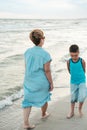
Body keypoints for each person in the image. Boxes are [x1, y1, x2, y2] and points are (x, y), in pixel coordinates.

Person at [22, 29, 54, 129]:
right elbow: (47, 71)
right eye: (43, 37)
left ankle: (26, 124)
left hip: (28, 80)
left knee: (27, 101)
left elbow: (26, 66)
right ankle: (43, 114)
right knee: (44, 98)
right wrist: (51, 83)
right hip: (41, 81)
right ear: (41, 39)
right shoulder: (45, 54)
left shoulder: (27, 52)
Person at [67, 44, 87, 119]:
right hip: (73, 82)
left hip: (82, 81)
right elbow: (69, 71)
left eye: (75, 55)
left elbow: (84, 70)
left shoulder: (82, 61)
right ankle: (72, 111)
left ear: (78, 52)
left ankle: (79, 109)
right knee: (72, 97)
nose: (74, 57)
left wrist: (80, 77)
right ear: (70, 54)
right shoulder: (68, 62)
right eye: (72, 55)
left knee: (82, 97)